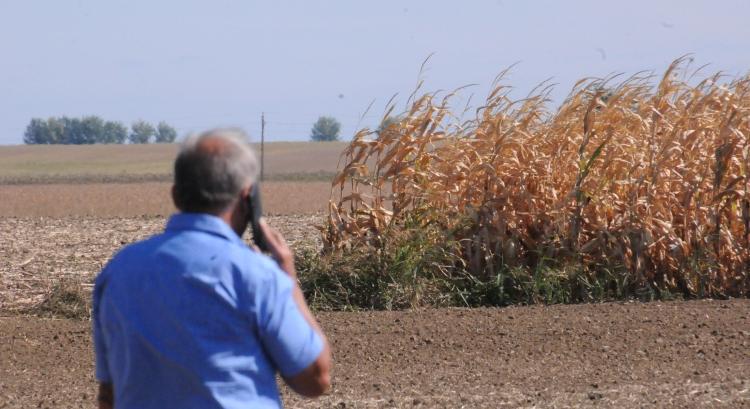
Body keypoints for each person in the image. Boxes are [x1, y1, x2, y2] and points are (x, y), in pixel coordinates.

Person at [92, 128, 331, 409]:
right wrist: (288, 275)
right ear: (248, 198)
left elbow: (109, 395)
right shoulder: (257, 274)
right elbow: (315, 378)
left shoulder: (117, 272)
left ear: (176, 196)